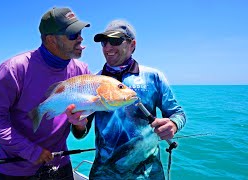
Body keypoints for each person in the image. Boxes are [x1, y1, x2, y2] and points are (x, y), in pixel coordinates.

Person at [66, 20, 186, 179]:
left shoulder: (153, 77)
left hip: (148, 174)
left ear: (132, 44)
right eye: (104, 42)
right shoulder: (93, 81)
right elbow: (81, 132)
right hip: (103, 174)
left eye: (115, 40)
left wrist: (173, 124)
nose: (108, 47)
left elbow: (178, 114)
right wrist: (79, 125)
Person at [0, 7, 90, 180]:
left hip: (60, 167)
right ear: (51, 40)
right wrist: (31, 151)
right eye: (72, 34)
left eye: (80, 32)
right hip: (16, 173)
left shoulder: (81, 71)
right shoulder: (14, 69)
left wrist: (80, 125)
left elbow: (80, 129)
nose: (80, 38)